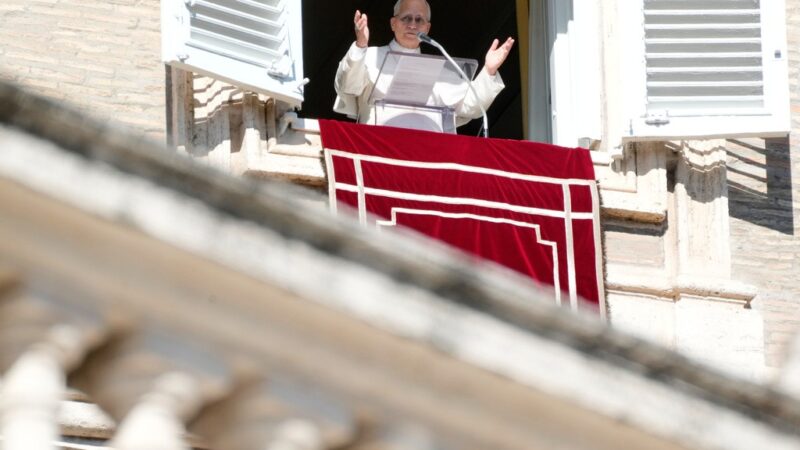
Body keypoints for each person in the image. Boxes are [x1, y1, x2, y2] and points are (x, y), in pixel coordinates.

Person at [333, 0, 515, 128]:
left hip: (431, 154)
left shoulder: (440, 70)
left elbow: (471, 106)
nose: (412, 25)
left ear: (427, 28)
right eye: (406, 18)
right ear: (393, 23)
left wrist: (489, 71)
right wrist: (361, 44)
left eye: (419, 19)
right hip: (380, 149)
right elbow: (348, 86)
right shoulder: (370, 56)